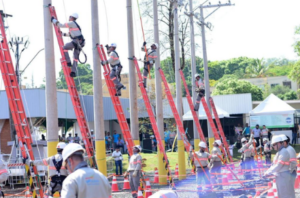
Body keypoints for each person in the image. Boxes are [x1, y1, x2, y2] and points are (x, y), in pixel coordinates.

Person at [51, 13, 85, 78]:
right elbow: (70, 34)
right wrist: (63, 34)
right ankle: (73, 72)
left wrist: (53, 20)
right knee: (75, 58)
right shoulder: (74, 25)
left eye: (70, 16)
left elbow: (61, 25)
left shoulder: (72, 23)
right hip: (81, 42)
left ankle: (68, 62)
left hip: (77, 41)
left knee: (65, 47)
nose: (69, 17)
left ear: (72, 17)